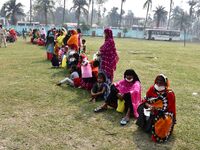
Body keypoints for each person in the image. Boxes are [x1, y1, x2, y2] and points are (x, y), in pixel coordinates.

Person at [136, 74, 176, 142]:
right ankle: (145, 126)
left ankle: (155, 130)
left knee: (164, 120)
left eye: (161, 80)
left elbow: (168, 108)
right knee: (141, 107)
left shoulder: (169, 93)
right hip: (151, 107)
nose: (159, 82)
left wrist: (155, 109)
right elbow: (145, 100)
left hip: (164, 112)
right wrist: (149, 106)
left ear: (165, 82)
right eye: (157, 80)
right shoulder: (152, 88)